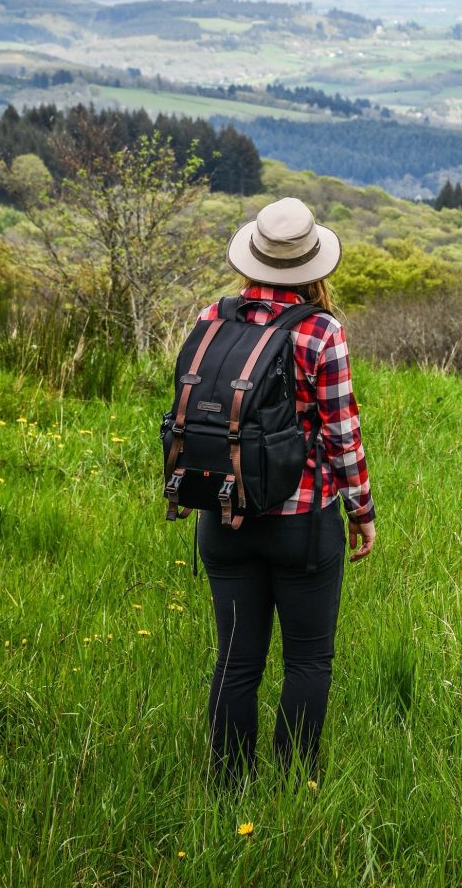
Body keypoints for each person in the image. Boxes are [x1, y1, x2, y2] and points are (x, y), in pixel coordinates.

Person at [194, 196, 376, 785]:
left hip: (223, 511)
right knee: (307, 659)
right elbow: (341, 434)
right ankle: (296, 782)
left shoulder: (209, 319)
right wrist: (362, 512)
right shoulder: (322, 332)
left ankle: (227, 788)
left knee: (236, 660)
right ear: (313, 265)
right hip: (303, 522)